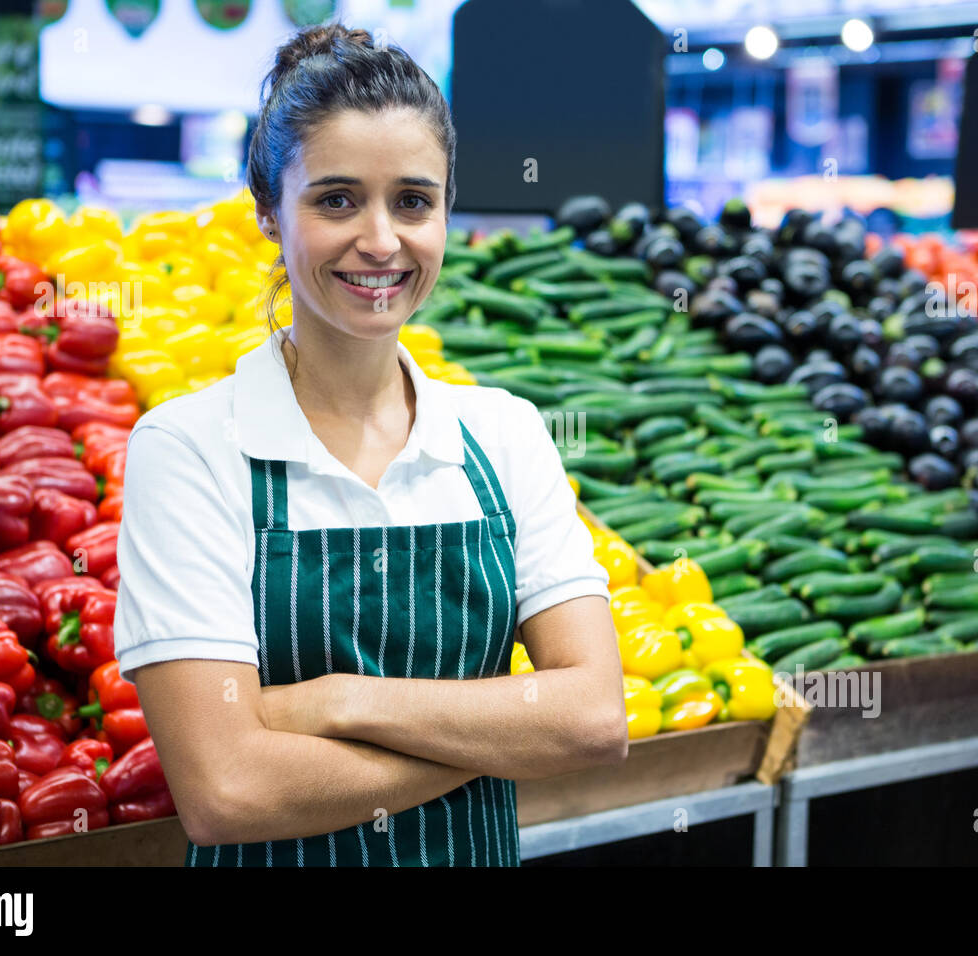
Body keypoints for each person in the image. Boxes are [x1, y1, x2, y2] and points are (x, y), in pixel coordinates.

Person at [112, 23, 628, 868]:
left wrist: (337, 701)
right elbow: (225, 790)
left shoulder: (504, 432)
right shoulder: (190, 447)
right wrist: (497, 733)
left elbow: (594, 719)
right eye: (337, 199)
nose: (382, 240)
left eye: (414, 201)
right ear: (269, 214)